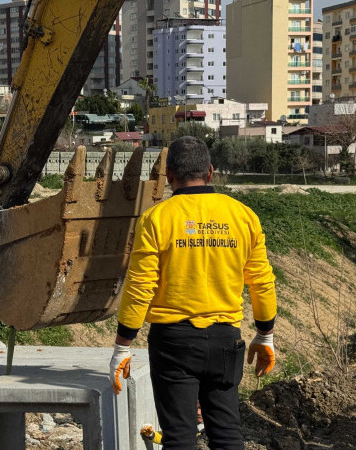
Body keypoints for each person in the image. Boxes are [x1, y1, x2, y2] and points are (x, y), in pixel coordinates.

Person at [109, 136, 277, 450]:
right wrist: (265, 333)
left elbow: (140, 286)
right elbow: (262, 281)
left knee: (179, 438)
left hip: (173, 344)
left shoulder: (156, 219)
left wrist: (122, 346)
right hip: (226, 342)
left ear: (170, 176)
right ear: (210, 172)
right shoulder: (243, 216)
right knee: (227, 436)